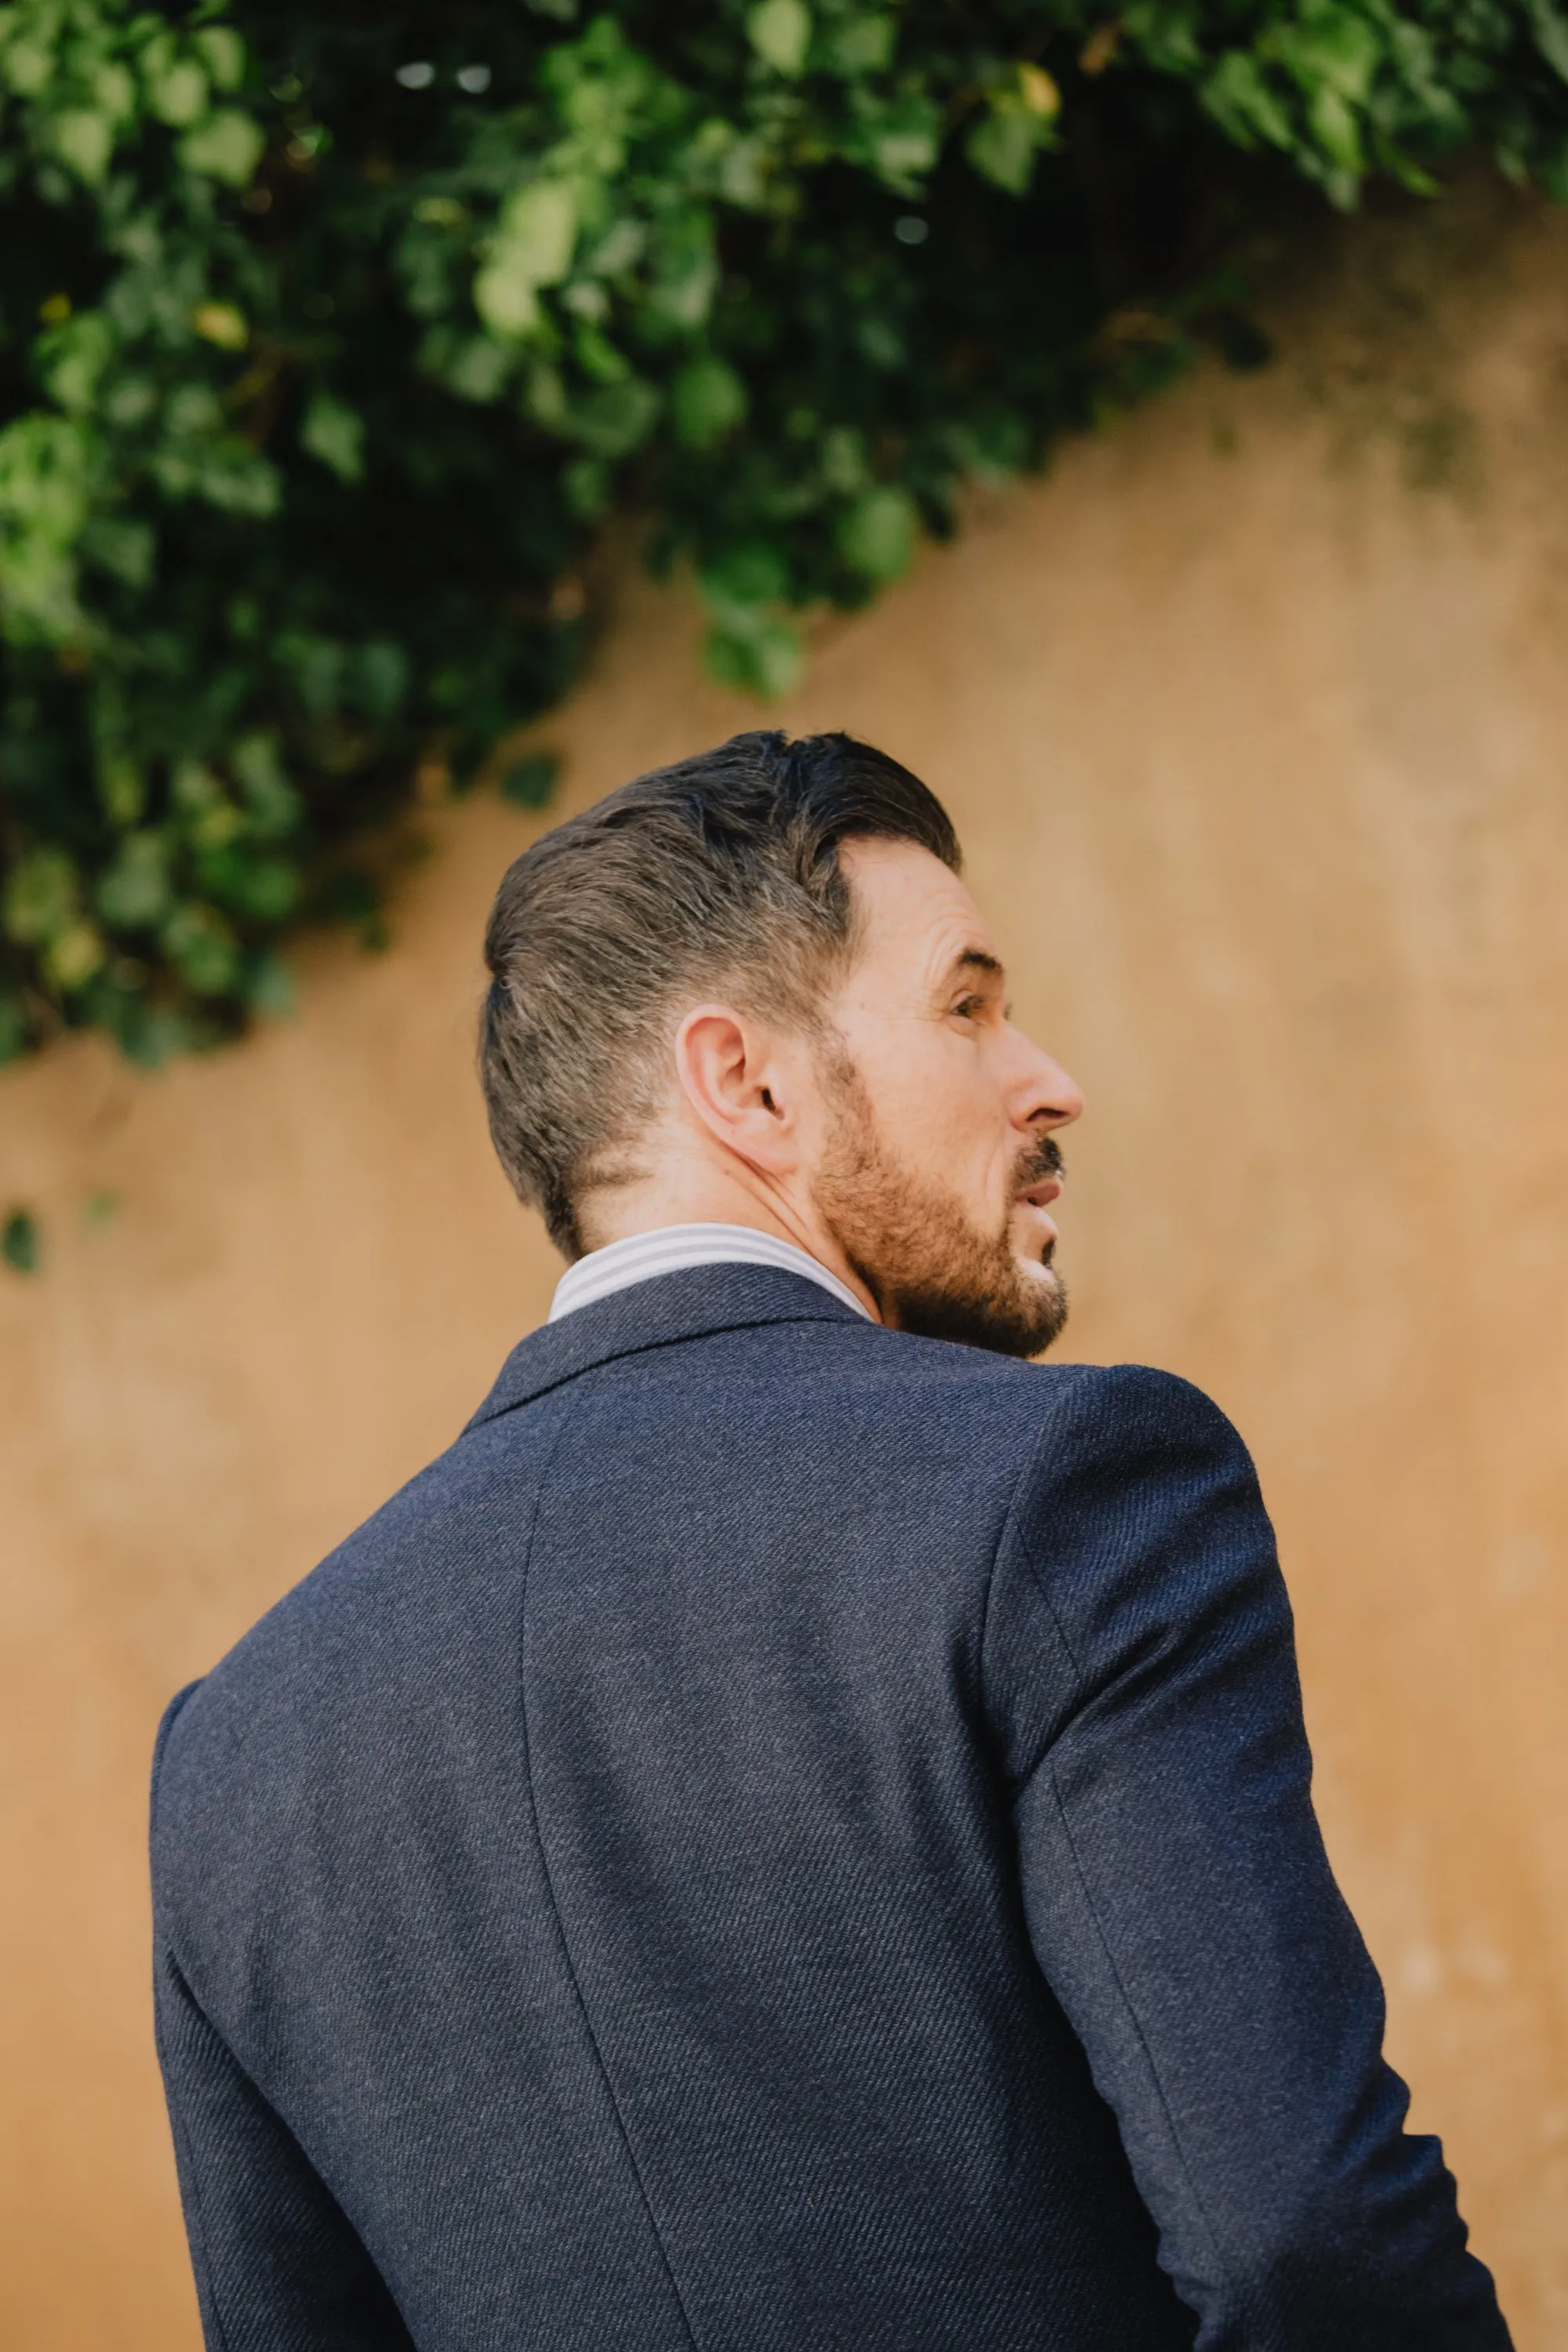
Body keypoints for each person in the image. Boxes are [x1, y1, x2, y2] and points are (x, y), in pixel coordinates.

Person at [151, 730, 1511, 2351]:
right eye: (967, 1004)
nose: (1047, 1077)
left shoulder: (228, 1760)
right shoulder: (1064, 1489)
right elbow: (1305, 2248)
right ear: (747, 1082)